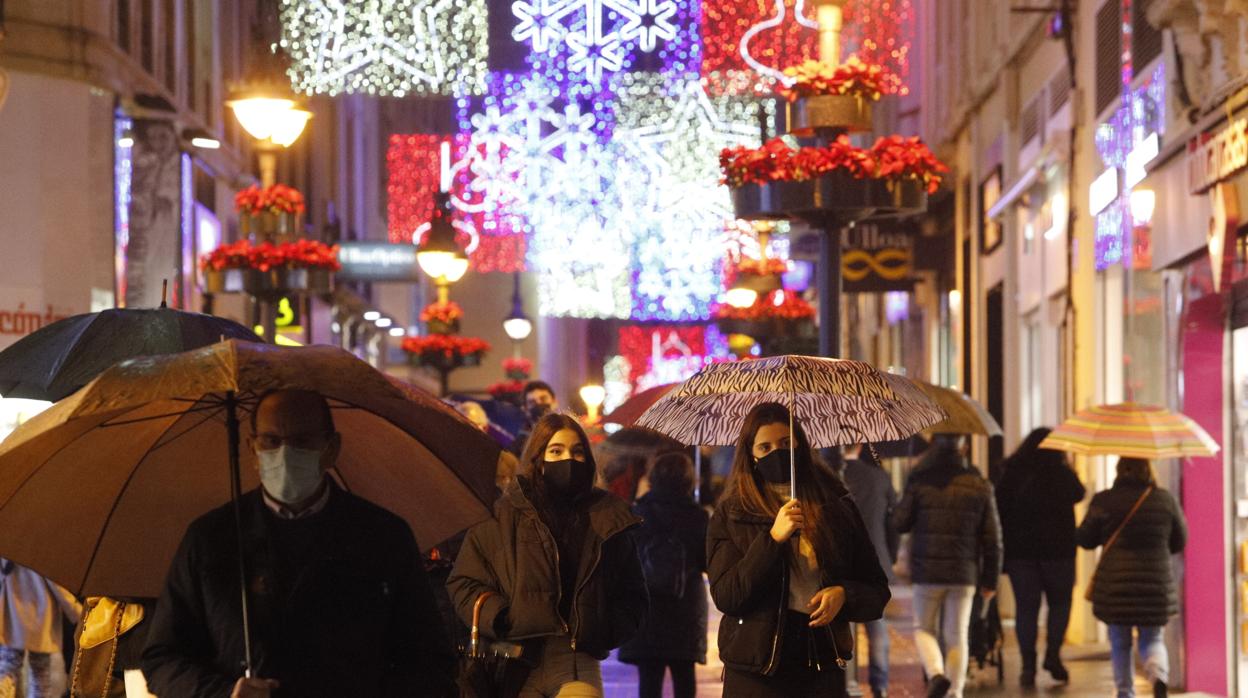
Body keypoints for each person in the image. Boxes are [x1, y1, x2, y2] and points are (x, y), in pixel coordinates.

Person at [141, 389, 457, 698]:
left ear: (330, 448)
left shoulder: (382, 537)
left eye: (302, 441)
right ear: (252, 448)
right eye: (272, 441)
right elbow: (164, 658)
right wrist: (223, 693)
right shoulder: (211, 539)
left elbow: (430, 662)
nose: (285, 453)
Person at [447, 413, 648, 697]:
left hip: (577, 659)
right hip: (516, 661)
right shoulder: (501, 516)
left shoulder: (606, 516)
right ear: (538, 458)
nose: (569, 459)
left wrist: (607, 627)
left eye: (578, 451)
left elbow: (633, 591)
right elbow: (463, 582)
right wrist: (502, 616)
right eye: (556, 450)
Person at [707, 402, 891, 697]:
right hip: (756, 668)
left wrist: (844, 594)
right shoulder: (732, 512)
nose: (776, 453)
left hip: (820, 661)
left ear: (799, 444)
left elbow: (877, 590)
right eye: (764, 448)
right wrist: (772, 539)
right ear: (751, 455)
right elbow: (728, 595)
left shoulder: (836, 505)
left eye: (784, 443)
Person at [892, 434, 1002, 698]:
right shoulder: (979, 484)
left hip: (927, 572)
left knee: (924, 628)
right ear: (963, 447)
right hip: (964, 572)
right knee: (957, 634)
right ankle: (954, 692)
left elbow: (900, 523)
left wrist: (906, 493)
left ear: (934, 447)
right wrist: (991, 580)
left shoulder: (920, 480)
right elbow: (993, 538)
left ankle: (937, 674)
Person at [1077, 457, 1187, 698]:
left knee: (1120, 642)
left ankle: (1126, 692)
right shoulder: (1164, 499)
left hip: (1116, 585)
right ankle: (1157, 675)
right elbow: (1179, 541)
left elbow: (1085, 539)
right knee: (1152, 638)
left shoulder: (1104, 500)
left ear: (1118, 471)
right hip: (1155, 584)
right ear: (1147, 469)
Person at [995, 427, 1085, 686]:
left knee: (1026, 609)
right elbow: (1079, 493)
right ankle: (1053, 655)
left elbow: (999, 507)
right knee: (1060, 604)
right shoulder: (1061, 474)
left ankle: (1028, 666)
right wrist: (1068, 466)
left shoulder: (1012, 473)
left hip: (1021, 554)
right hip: (1059, 552)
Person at [618, 452, 708, 698]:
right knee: (684, 678)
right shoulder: (698, 516)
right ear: (689, 480)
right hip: (685, 608)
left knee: (649, 679)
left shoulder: (636, 513)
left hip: (648, 607)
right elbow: (706, 562)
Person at [841, 444, 899, 698]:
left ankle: (846, 681)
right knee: (877, 627)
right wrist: (891, 556)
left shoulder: (834, 477)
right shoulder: (879, 476)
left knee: (842, 625)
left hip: (843, 561)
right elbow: (894, 522)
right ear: (859, 445)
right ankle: (880, 685)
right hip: (877, 560)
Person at [0, 560, 81, 698]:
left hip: (12, 615)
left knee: (8, 667)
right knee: (40, 673)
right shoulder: (42, 550)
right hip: (40, 618)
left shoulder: (9, 544)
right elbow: (57, 585)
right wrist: (77, 611)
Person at [509, 381, 560, 455]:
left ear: (555, 402)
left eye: (543, 399)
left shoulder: (568, 433)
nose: (539, 404)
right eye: (532, 402)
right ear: (525, 409)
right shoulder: (520, 446)